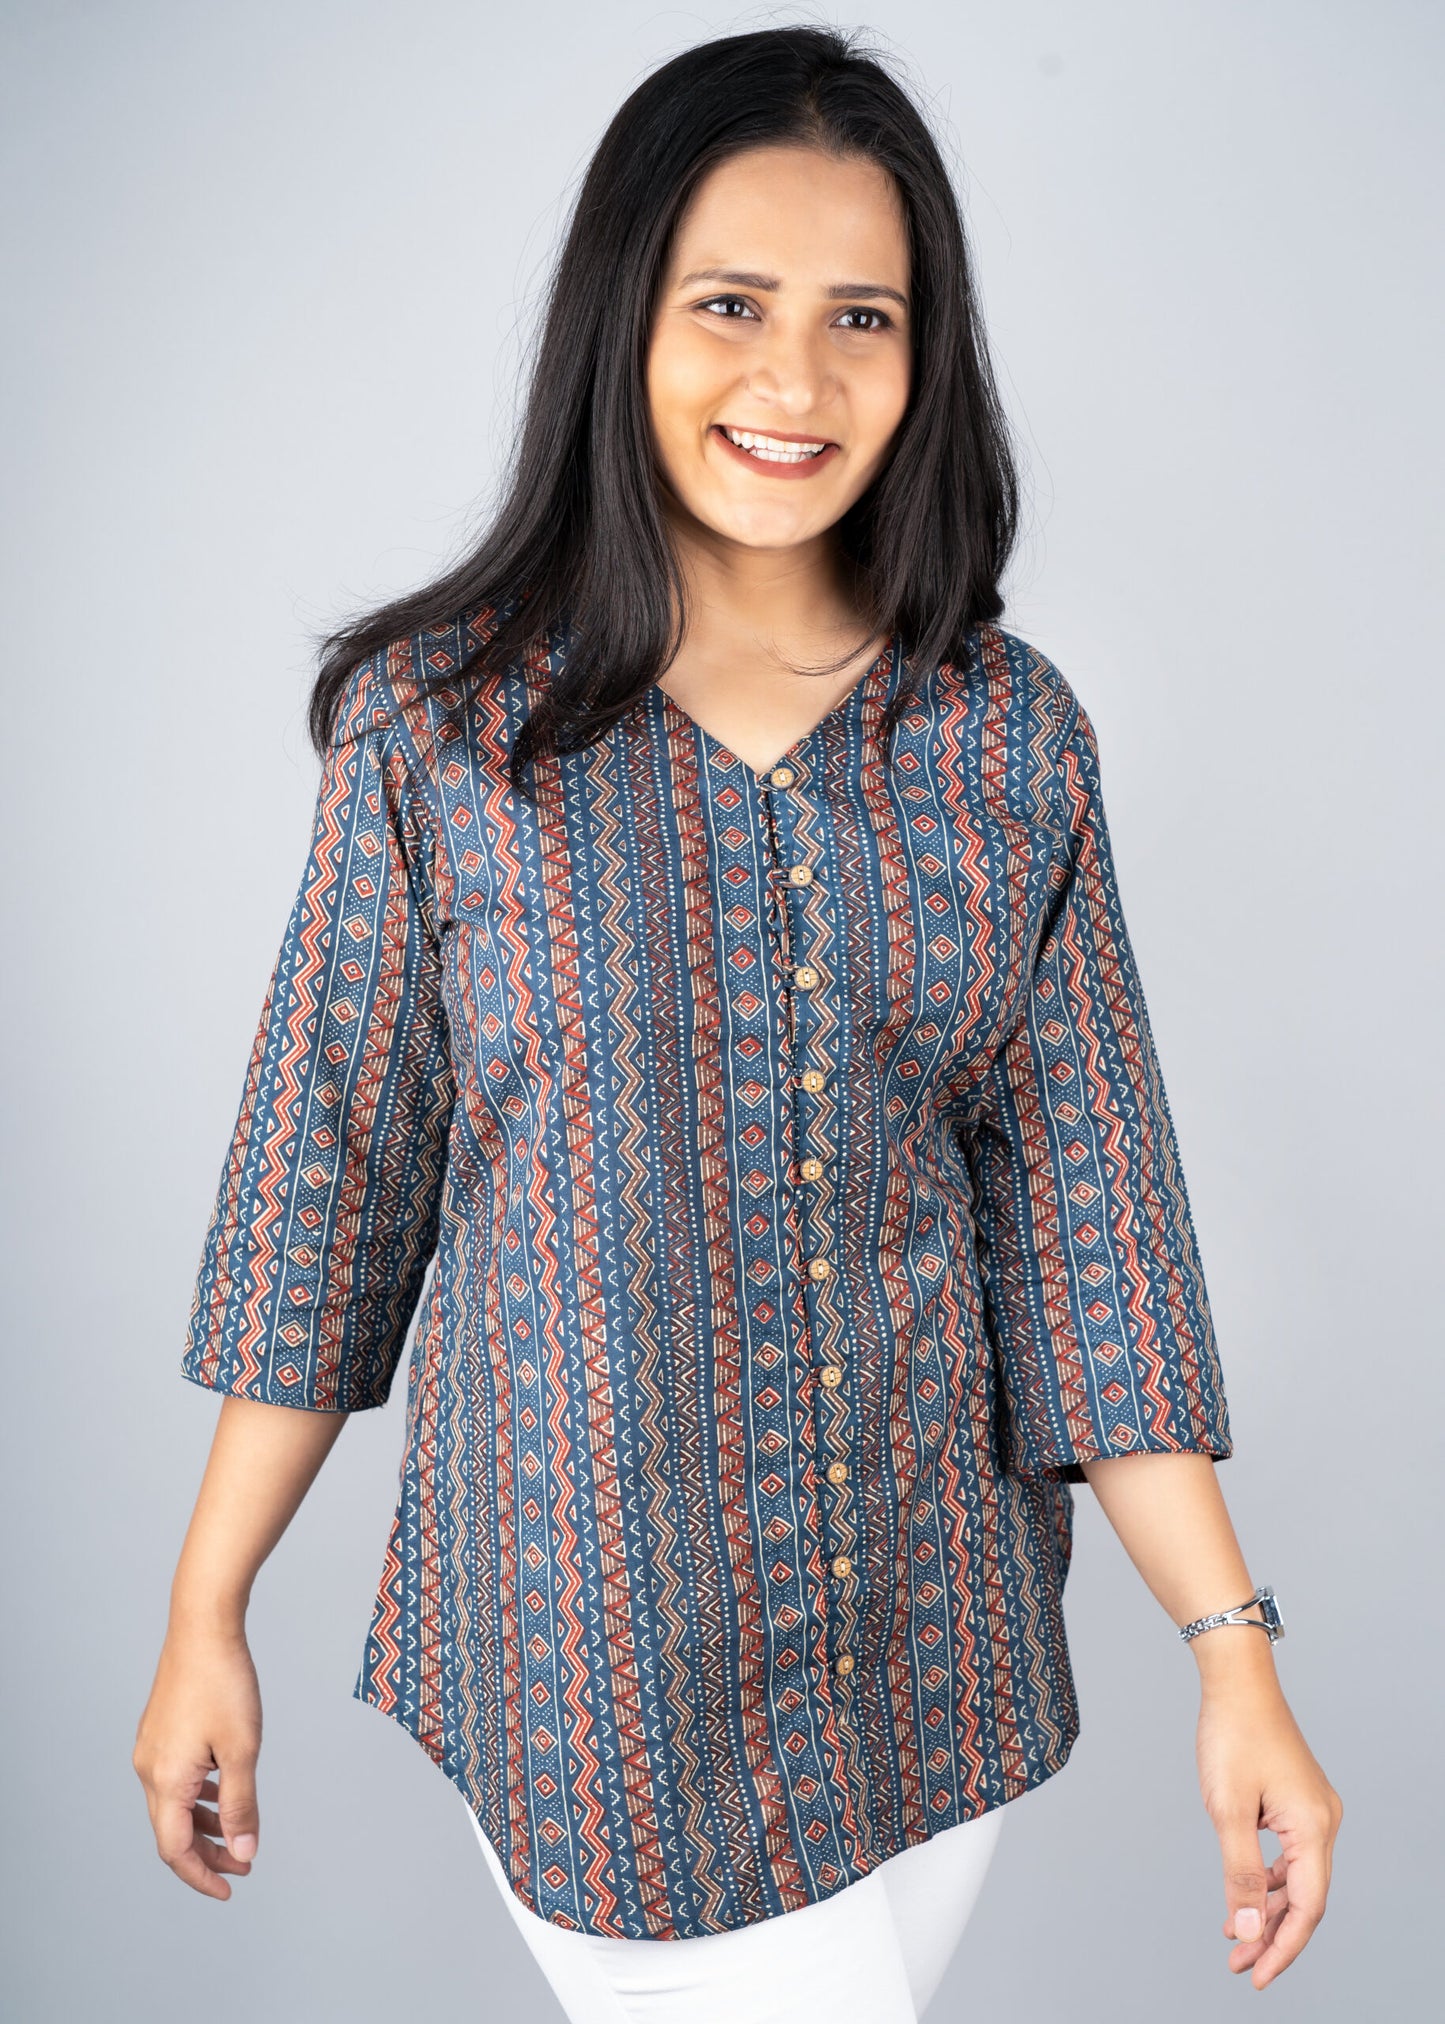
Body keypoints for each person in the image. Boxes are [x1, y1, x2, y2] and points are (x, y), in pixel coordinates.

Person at [133, 24, 1342, 2022]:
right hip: (589, 1681)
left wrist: (1236, 1659)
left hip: (930, 1666)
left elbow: (1091, 1228)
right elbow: (323, 1185)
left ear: (924, 355)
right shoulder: (443, 734)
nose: (795, 380)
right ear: (626, 322)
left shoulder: (1006, 737)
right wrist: (206, 1608)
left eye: (861, 317)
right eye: (732, 306)